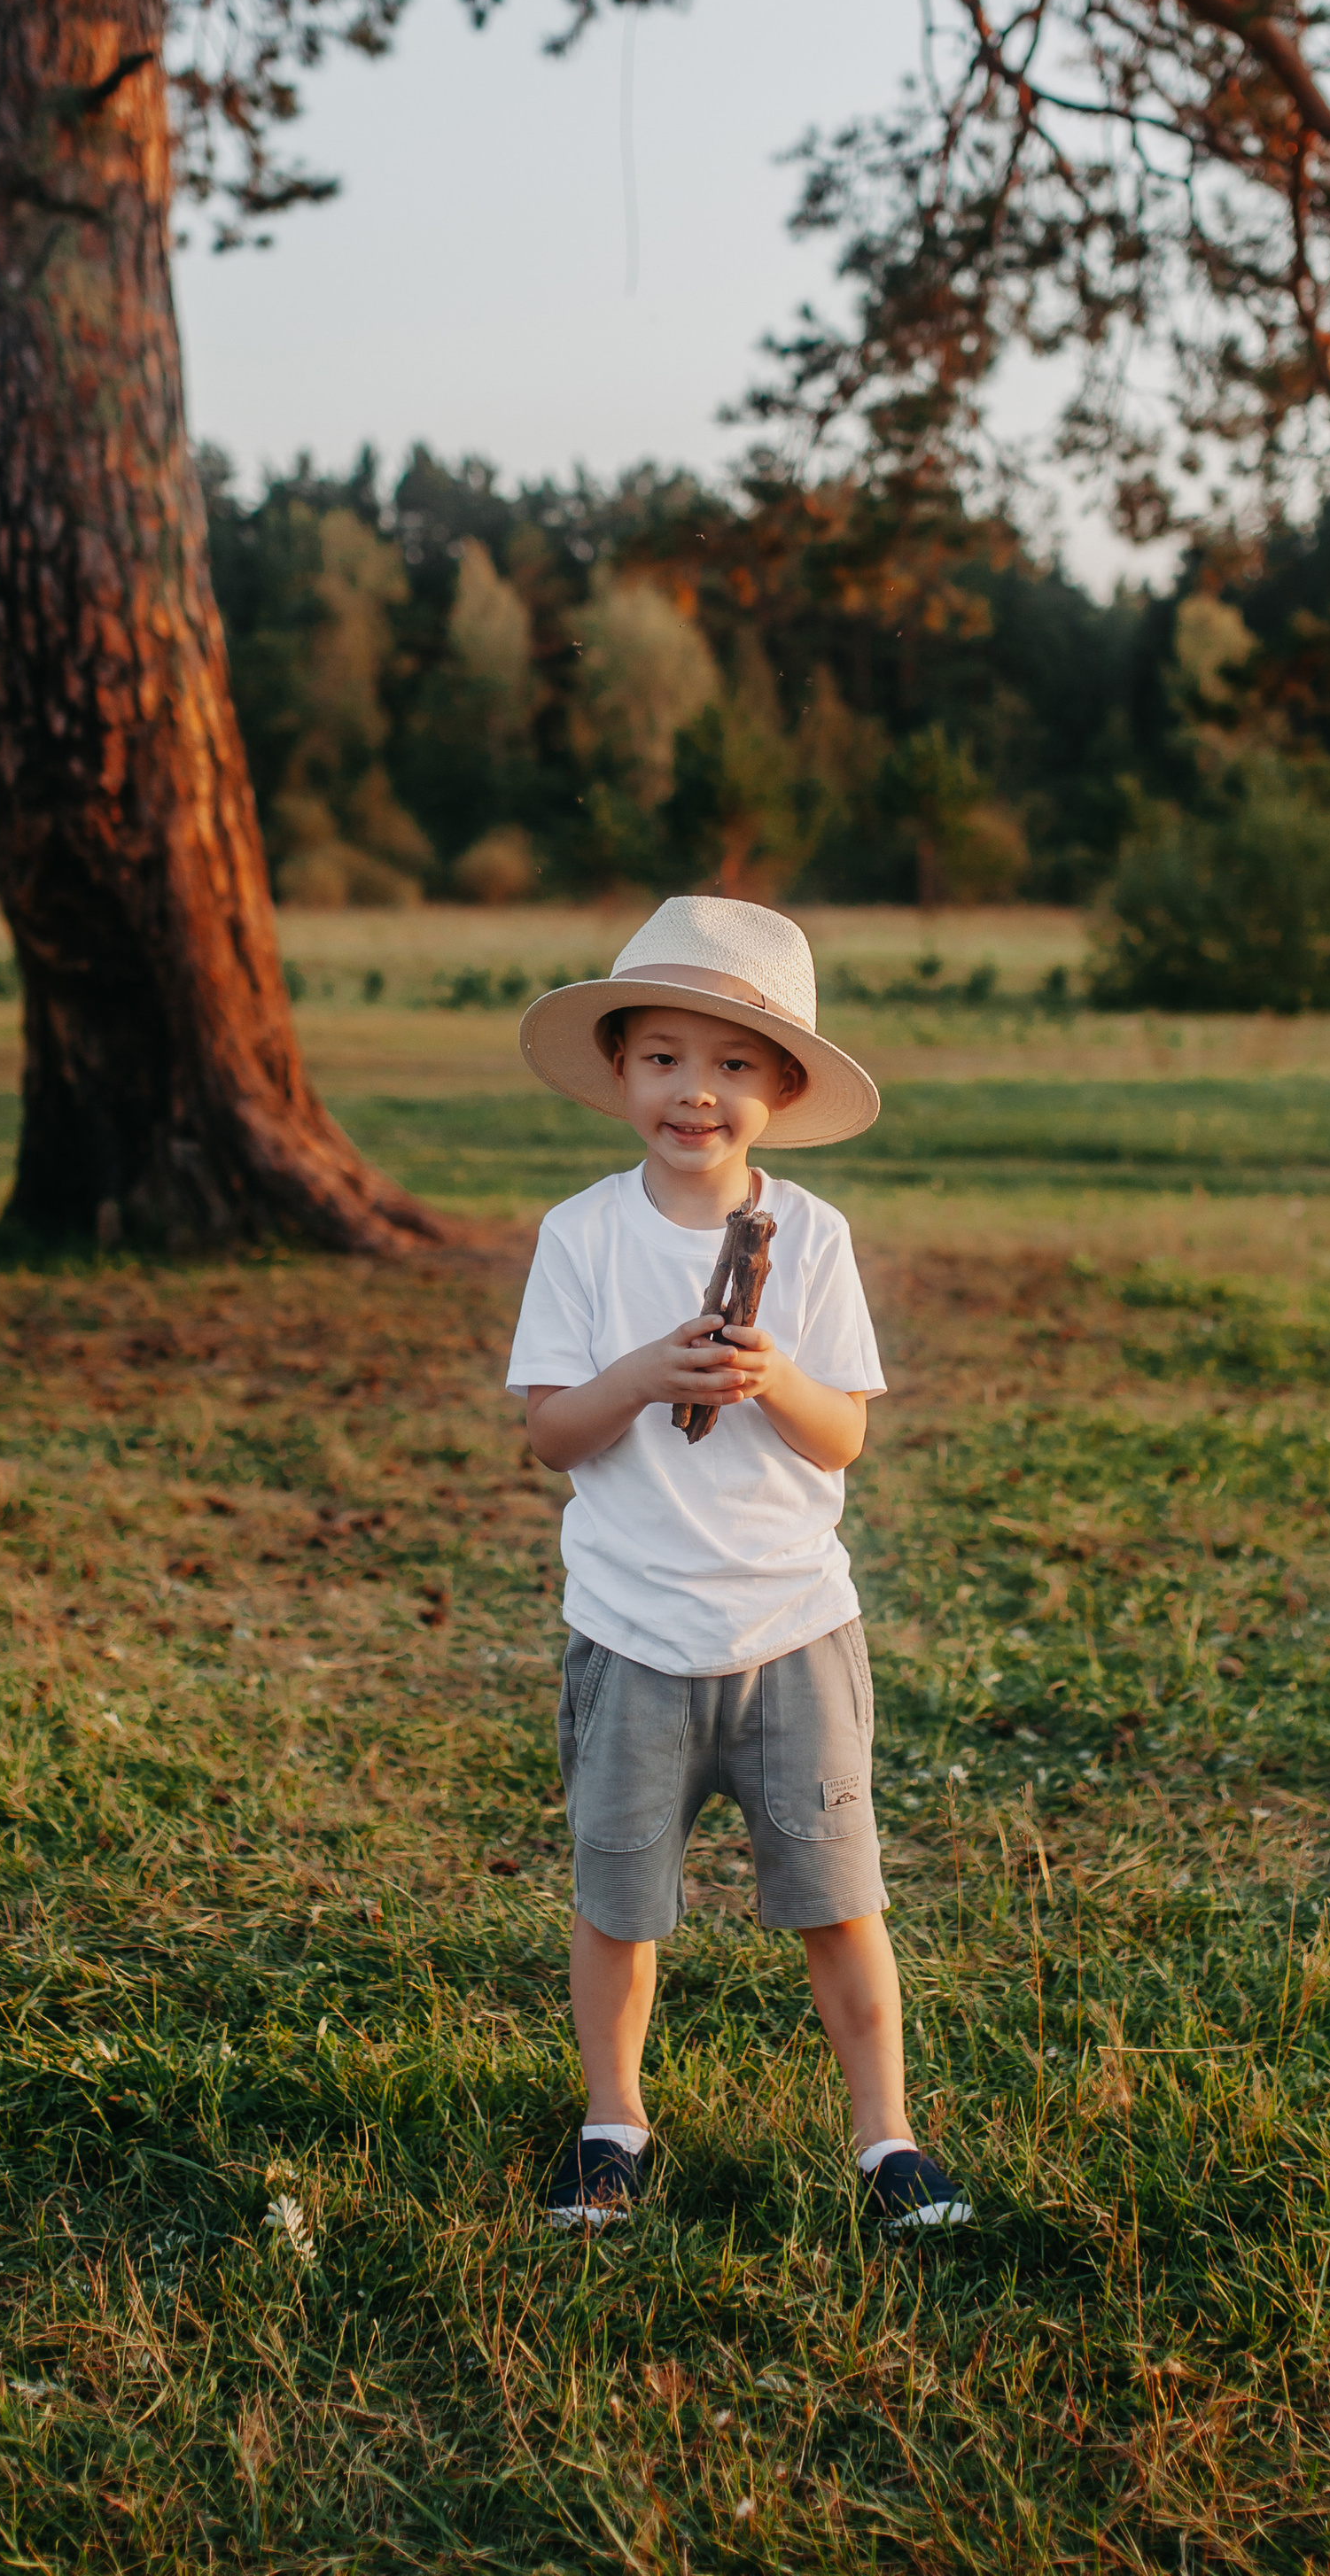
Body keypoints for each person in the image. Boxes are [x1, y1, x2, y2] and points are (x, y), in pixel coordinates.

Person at [505, 895, 971, 2243]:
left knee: (840, 1900)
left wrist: (774, 1380)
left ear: (781, 1087)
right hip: (631, 1634)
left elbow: (845, 1436)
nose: (693, 1091)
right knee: (618, 1904)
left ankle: (887, 2139)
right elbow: (551, 1435)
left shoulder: (810, 1238)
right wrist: (645, 1374)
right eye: (662, 1057)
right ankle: (612, 2125)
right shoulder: (581, 1235)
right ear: (619, 1072)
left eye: (730, 1063)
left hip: (791, 1629)